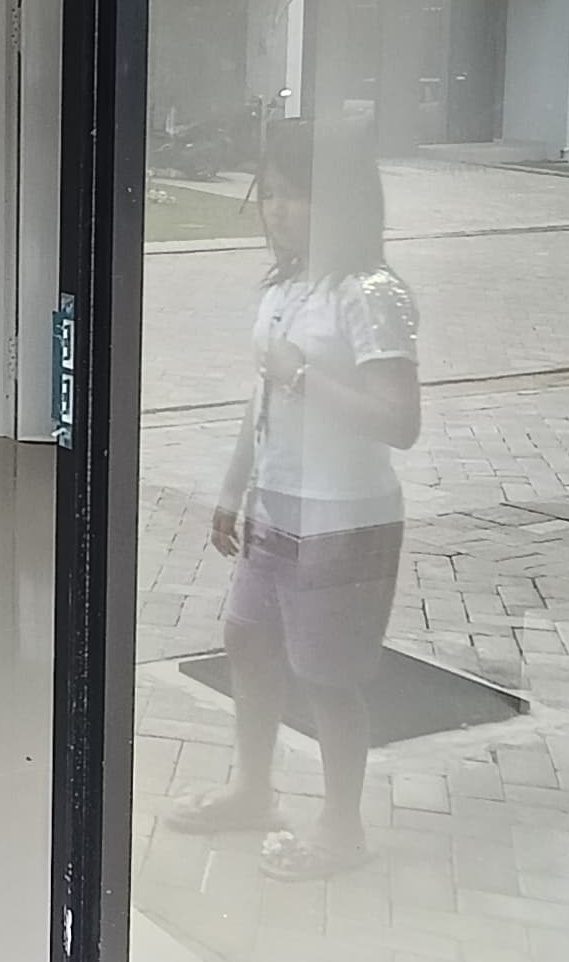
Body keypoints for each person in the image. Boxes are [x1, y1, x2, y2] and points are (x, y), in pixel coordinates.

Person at [171, 114, 419, 878]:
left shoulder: (369, 294)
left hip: (345, 521)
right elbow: (263, 398)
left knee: (327, 676)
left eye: (296, 194)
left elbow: (401, 421)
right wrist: (232, 489)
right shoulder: (284, 288)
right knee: (246, 640)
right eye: (270, 194)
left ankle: (342, 828)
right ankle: (253, 790)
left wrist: (302, 375)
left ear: (341, 200)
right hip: (277, 510)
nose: (277, 211)